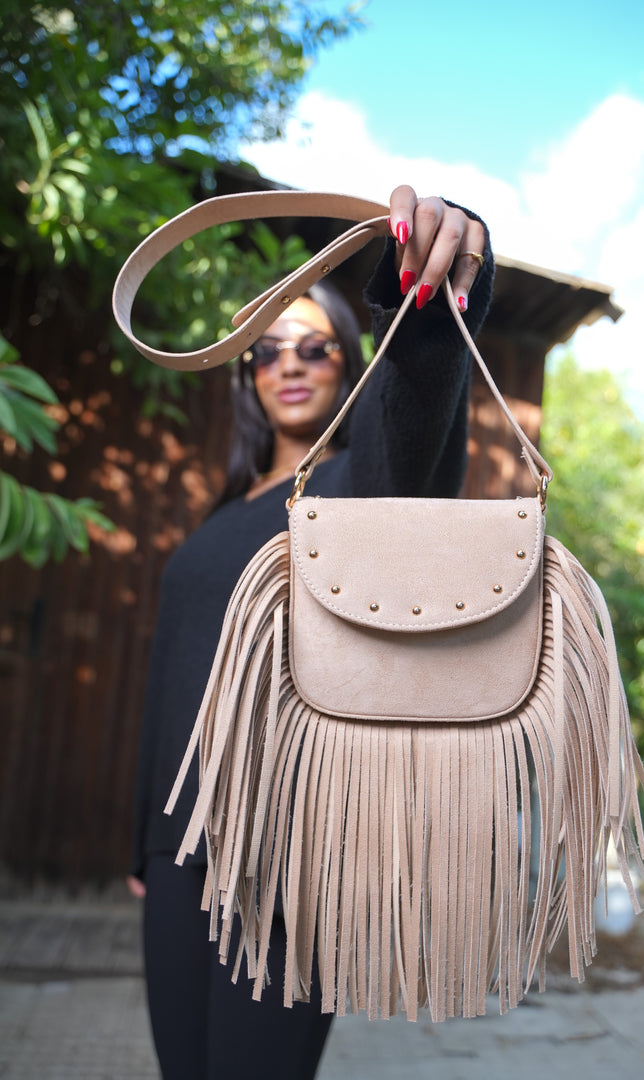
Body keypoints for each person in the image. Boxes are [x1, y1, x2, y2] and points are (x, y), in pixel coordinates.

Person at [126, 185, 494, 1079]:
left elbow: (413, 418)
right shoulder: (229, 508)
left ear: (350, 359)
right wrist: (140, 843)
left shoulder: (357, 489)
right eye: (267, 350)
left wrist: (430, 286)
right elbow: (173, 676)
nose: (289, 364)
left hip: (288, 856)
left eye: (317, 344)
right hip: (176, 857)